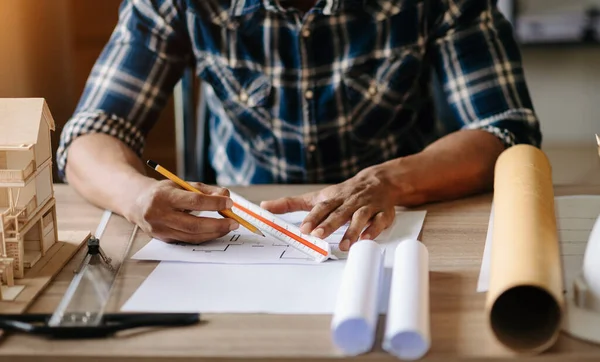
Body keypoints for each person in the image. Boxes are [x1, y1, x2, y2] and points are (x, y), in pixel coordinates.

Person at [57, 0, 541, 251]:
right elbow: (92, 133)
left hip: (406, 211)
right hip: (246, 224)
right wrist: (135, 196)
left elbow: (507, 130)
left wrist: (385, 180)